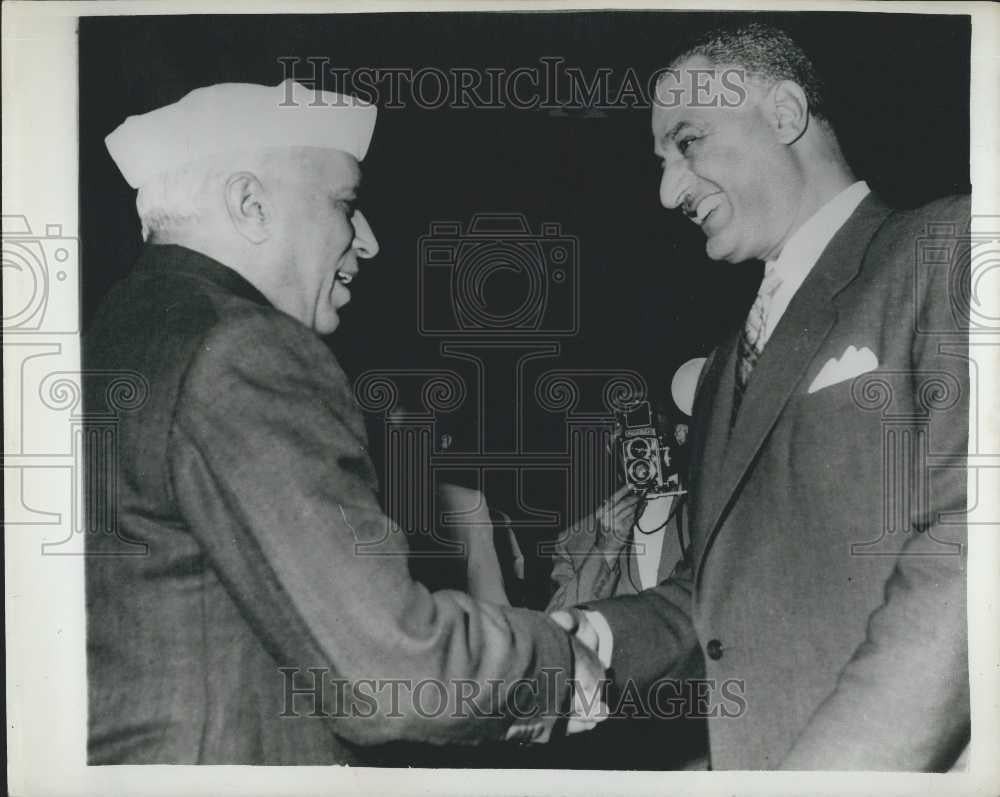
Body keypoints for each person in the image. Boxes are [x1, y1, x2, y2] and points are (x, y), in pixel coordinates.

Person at [84, 79, 605, 764]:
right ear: (250, 204)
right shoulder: (243, 349)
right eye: (345, 205)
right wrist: (558, 661)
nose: (369, 240)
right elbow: (392, 675)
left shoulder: (123, 334)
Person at [553, 22, 969, 770]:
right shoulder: (722, 370)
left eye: (688, 142)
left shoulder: (947, 249)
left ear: (783, 115)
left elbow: (971, 555)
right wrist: (591, 640)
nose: (667, 189)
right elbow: (711, 598)